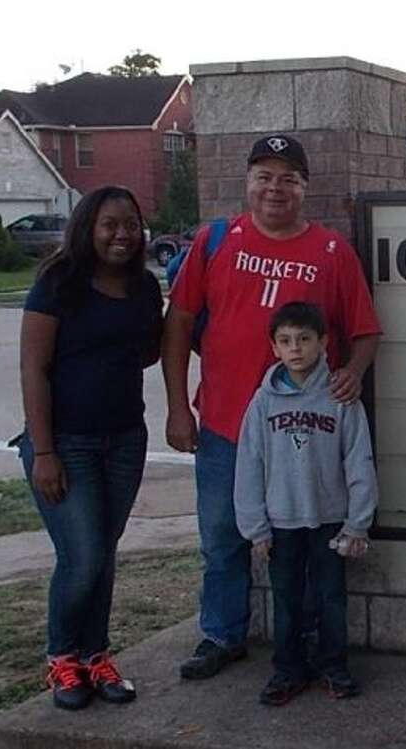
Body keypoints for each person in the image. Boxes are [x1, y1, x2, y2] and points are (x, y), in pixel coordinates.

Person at [163, 133, 382, 680]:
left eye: (288, 178)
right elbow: (179, 323)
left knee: (306, 542)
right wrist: (175, 407)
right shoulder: (216, 241)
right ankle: (221, 634)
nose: (275, 188)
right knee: (220, 537)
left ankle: (306, 643)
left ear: (305, 187)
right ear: (248, 181)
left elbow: (365, 330)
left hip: (304, 431)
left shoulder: (331, 252)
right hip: (223, 423)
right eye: (264, 176)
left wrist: (352, 374)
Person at [18, 186, 164, 710]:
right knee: (82, 557)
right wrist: (44, 451)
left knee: (103, 556)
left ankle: (95, 657)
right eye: (109, 224)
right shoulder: (59, 283)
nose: (121, 234)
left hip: (126, 439)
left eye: (130, 224)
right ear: (88, 227)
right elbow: (33, 367)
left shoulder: (145, 288)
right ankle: (62, 659)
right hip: (65, 444)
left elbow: (149, 349)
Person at [234, 302, 375, 705]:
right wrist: (255, 528)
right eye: (285, 341)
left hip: (330, 520)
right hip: (280, 522)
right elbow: (249, 465)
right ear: (274, 348)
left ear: (323, 343)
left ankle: (334, 667)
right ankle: (287, 671)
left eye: (304, 339)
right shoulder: (262, 404)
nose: (295, 348)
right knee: (287, 599)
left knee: (331, 598)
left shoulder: (340, 398)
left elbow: (359, 460)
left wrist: (358, 523)